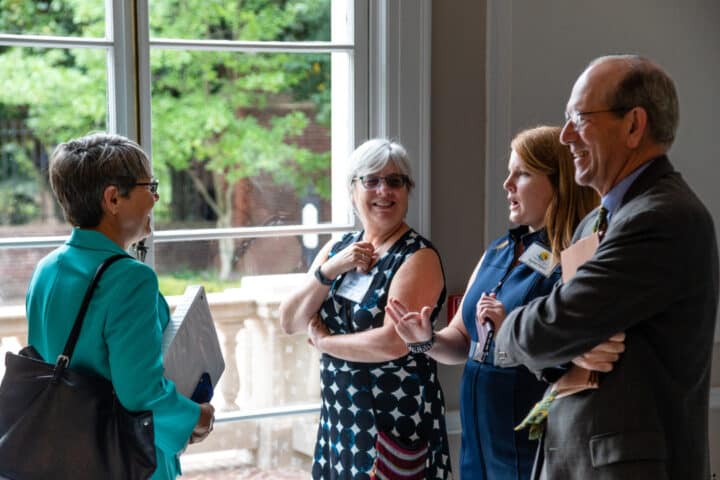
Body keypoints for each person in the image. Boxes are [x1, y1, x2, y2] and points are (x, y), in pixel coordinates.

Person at [492, 55, 719, 478]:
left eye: (579, 118)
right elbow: (563, 334)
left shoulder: (665, 217)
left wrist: (511, 327)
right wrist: (570, 347)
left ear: (634, 125)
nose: (565, 136)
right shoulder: (592, 221)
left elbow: (554, 323)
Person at [386, 126, 598, 479]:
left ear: (559, 182)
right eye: (508, 173)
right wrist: (425, 340)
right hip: (479, 439)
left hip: (535, 437)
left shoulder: (578, 256)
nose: (507, 184)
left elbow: (578, 357)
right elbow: (462, 342)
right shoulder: (498, 250)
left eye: (523, 173)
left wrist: (511, 330)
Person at [25, 133, 215, 479]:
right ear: (113, 198)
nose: (156, 198)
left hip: (63, 453)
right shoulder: (130, 279)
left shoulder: (47, 269)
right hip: (124, 460)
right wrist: (195, 418)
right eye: (150, 186)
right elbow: (141, 395)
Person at [279, 139, 452, 479]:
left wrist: (326, 343)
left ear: (407, 190)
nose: (383, 191)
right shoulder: (340, 247)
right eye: (371, 180)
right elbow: (290, 320)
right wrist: (329, 271)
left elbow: (392, 341)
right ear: (352, 189)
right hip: (341, 421)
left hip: (395, 426)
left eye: (395, 181)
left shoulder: (417, 257)